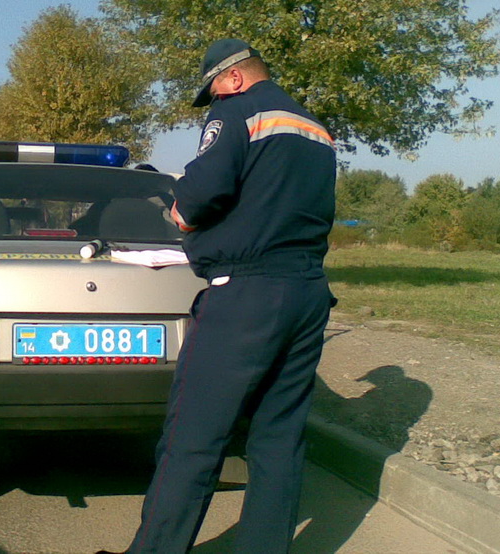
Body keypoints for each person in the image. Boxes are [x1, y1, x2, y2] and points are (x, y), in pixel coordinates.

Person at [108, 39, 337, 554]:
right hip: (307, 291)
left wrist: (179, 214)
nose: (212, 100)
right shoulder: (317, 129)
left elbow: (199, 196)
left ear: (232, 78)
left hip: (245, 296)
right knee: (280, 440)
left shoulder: (236, 113)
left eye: (212, 88)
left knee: (193, 437)